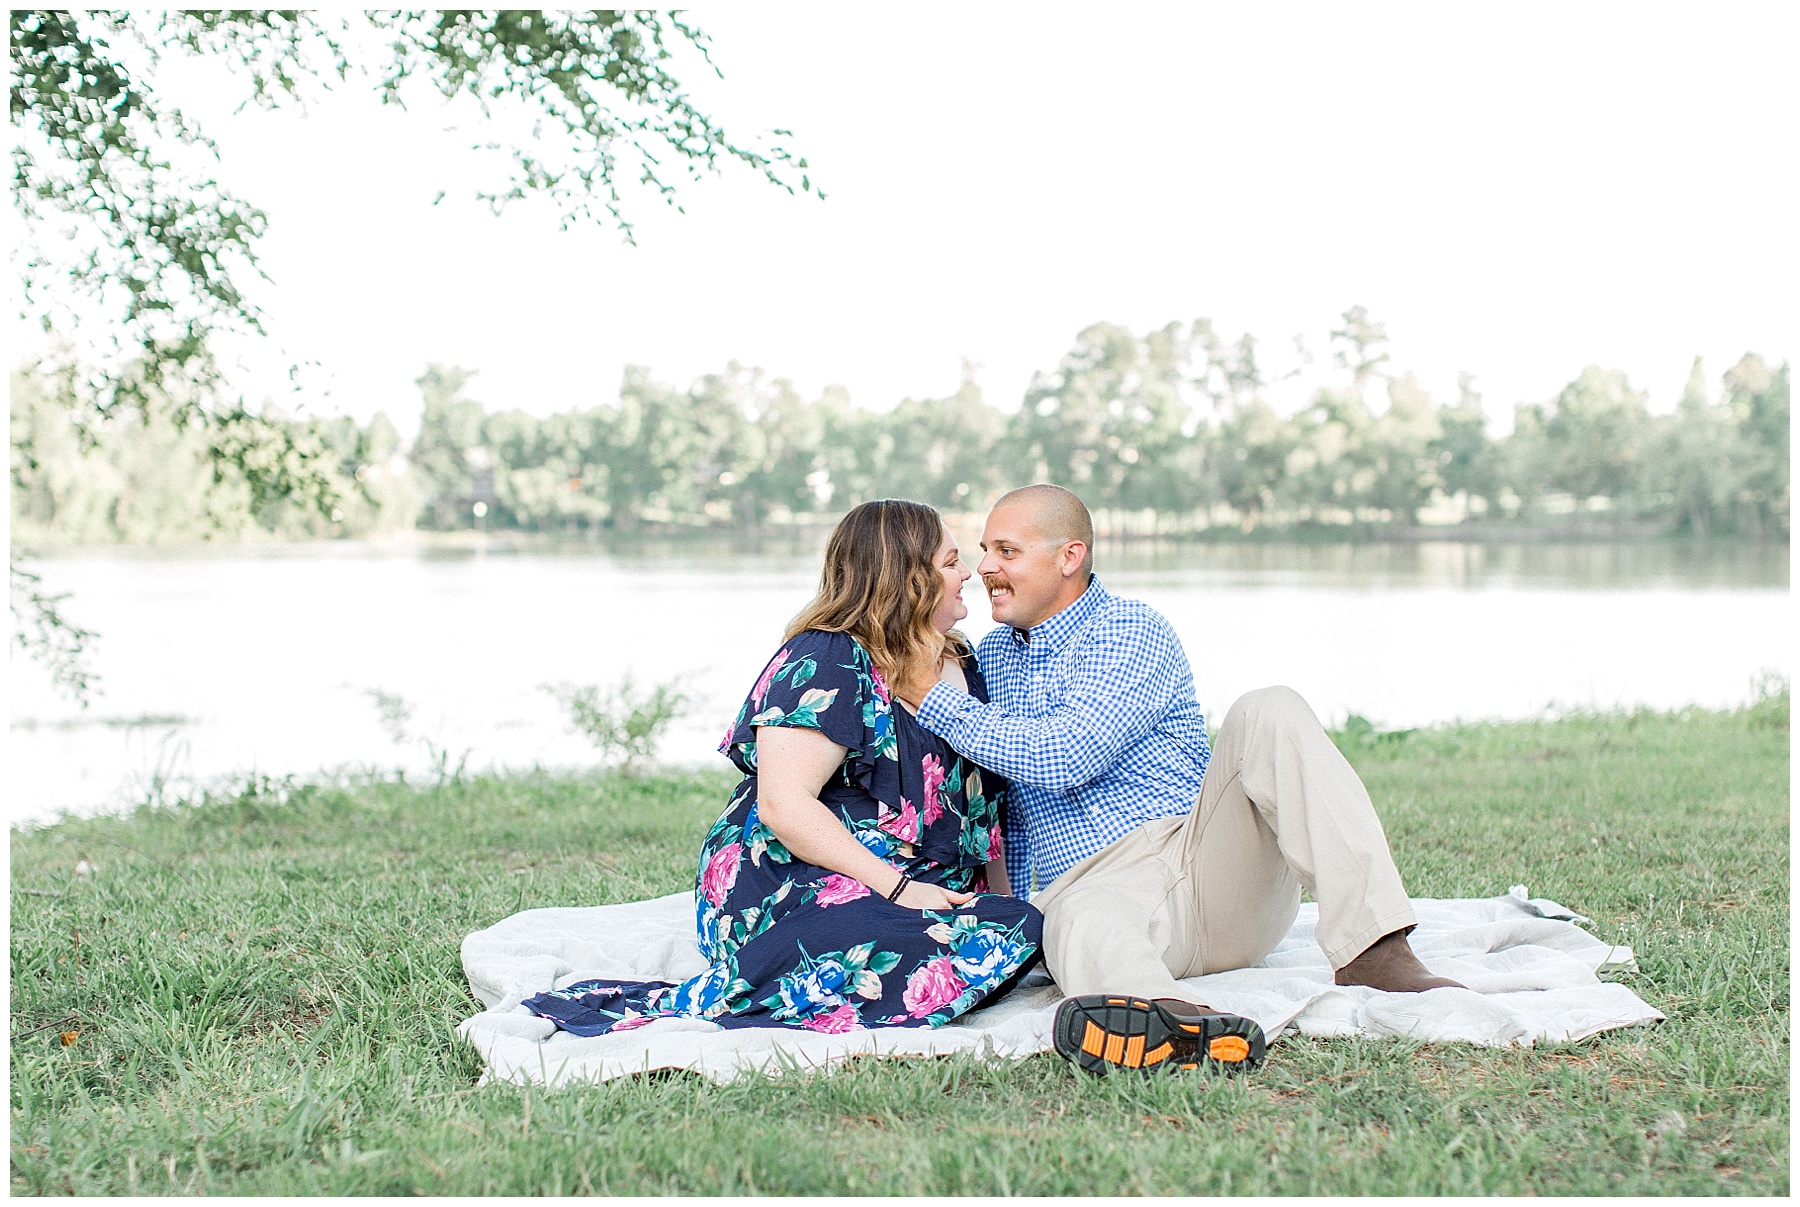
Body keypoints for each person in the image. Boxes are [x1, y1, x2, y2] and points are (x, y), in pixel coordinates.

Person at [895, 484, 1462, 1075]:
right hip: (1095, 894)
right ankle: (1177, 1024)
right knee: (1073, 916)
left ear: (1070, 557)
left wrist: (933, 699)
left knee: (1270, 707)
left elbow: (1064, 755)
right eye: (984, 550)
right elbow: (993, 801)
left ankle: (1373, 949)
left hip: (1198, 863)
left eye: (1006, 551)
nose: (985, 567)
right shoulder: (992, 657)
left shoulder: (1130, 631)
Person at [524, 499, 1043, 1036]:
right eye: (950, 562)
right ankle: (773, 974)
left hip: (913, 885)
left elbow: (985, 811)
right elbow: (782, 805)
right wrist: (899, 891)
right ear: (905, 576)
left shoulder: (962, 661)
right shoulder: (828, 657)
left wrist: (995, 900)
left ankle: (854, 967)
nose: (969, 573)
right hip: (796, 875)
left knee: (1016, 925)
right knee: (881, 932)